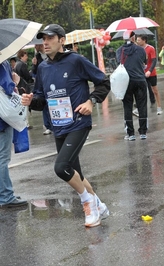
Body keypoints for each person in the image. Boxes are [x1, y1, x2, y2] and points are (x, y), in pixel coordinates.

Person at [21, 24, 111, 227]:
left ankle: (88, 204)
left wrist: (91, 101)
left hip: (78, 122)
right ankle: (100, 205)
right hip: (58, 125)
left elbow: (103, 82)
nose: (45, 42)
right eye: (43, 39)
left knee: (61, 168)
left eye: (50, 38)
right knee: (75, 172)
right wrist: (30, 100)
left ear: (62, 40)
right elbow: (42, 99)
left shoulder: (76, 60)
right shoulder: (43, 68)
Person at [0, 61, 29, 208]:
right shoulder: (2, 62)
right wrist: (15, 82)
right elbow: (7, 87)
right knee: (2, 158)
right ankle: (6, 196)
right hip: (2, 119)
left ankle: (4, 193)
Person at [116, 31, 148, 140]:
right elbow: (144, 61)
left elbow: (118, 63)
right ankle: (143, 132)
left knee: (127, 107)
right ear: (133, 38)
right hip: (140, 80)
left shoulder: (119, 51)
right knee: (142, 105)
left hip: (126, 82)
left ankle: (130, 134)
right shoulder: (140, 49)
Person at [136, 35, 162, 115]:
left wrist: (150, 71)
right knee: (140, 91)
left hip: (151, 73)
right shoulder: (137, 49)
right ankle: (138, 108)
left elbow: (154, 61)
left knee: (155, 90)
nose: (137, 42)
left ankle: (159, 107)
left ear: (144, 40)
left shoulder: (151, 48)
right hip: (141, 73)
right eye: (137, 40)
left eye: (139, 40)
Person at [31, 44, 52, 135]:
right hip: (43, 84)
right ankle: (48, 126)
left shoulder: (50, 53)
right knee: (44, 104)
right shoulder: (37, 56)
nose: (35, 47)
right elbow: (34, 72)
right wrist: (34, 65)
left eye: (36, 45)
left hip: (53, 82)